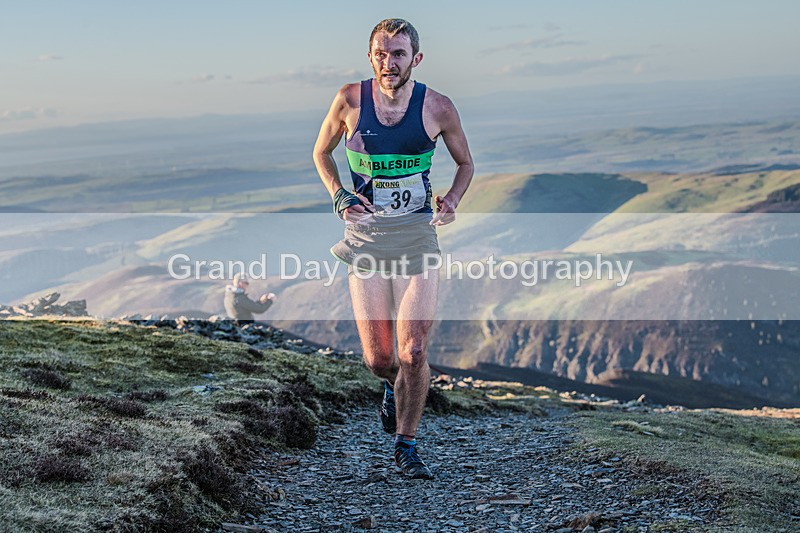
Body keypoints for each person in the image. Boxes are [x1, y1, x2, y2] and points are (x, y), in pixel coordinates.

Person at [313, 18, 474, 479]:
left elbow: (465, 163)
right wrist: (340, 195)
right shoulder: (348, 100)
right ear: (371, 57)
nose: (389, 62)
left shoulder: (438, 107)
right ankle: (392, 386)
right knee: (380, 359)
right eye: (381, 53)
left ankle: (407, 444)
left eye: (398, 54)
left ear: (415, 59)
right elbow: (321, 154)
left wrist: (452, 200)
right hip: (365, 242)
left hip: (417, 236)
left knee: (414, 351)